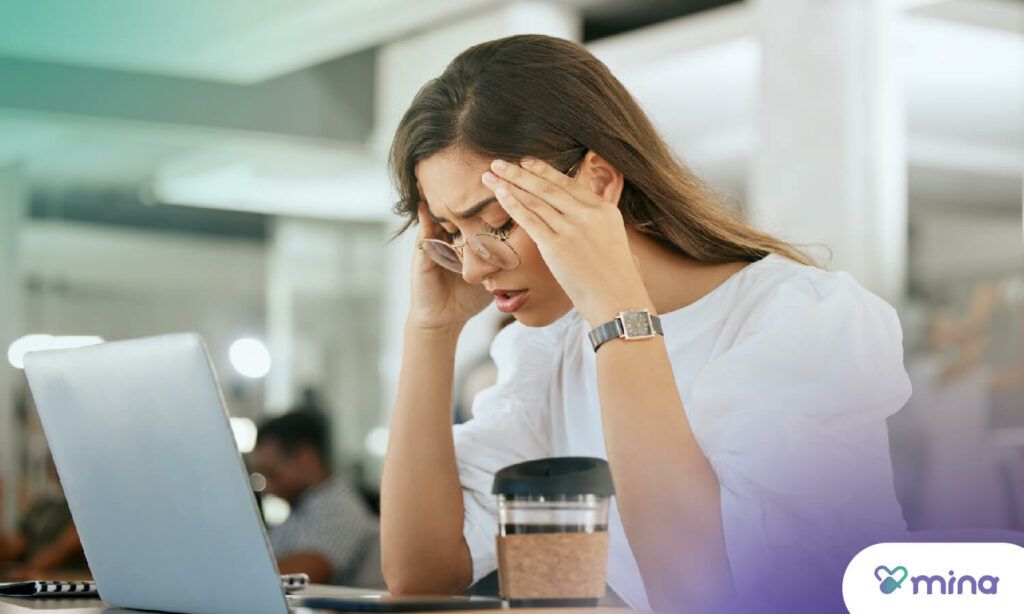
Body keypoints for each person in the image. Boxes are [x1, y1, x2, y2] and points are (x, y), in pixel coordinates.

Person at [380, 35, 910, 613]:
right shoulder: (553, 351)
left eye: (497, 223)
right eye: (454, 235)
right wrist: (430, 332)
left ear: (599, 182)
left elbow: (704, 597)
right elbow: (423, 573)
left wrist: (616, 311)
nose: (475, 266)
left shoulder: (800, 322)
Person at [251, 410, 384, 587]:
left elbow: (301, 575)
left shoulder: (338, 510)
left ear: (306, 458)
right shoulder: (301, 510)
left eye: (272, 474)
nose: (267, 487)